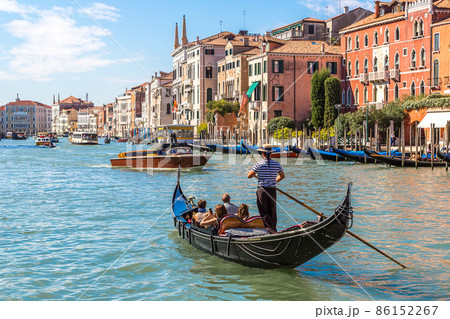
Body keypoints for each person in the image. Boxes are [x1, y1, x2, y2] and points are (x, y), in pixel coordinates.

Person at [247, 144, 285, 234]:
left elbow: (249, 176)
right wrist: (273, 181)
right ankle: (273, 228)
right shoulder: (276, 164)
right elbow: (282, 176)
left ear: (262, 154)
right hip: (272, 190)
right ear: (271, 154)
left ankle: (269, 229)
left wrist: (250, 172)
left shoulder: (258, 164)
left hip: (262, 190)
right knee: (272, 210)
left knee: (263, 211)